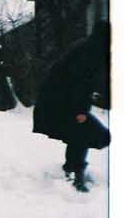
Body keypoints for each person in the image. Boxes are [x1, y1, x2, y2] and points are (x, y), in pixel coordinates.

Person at [32, 24, 110, 192]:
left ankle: (71, 170)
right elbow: (79, 81)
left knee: (82, 134)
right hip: (60, 101)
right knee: (89, 134)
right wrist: (81, 110)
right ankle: (76, 176)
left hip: (59, 99)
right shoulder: (91, 50)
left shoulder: (89, 46)